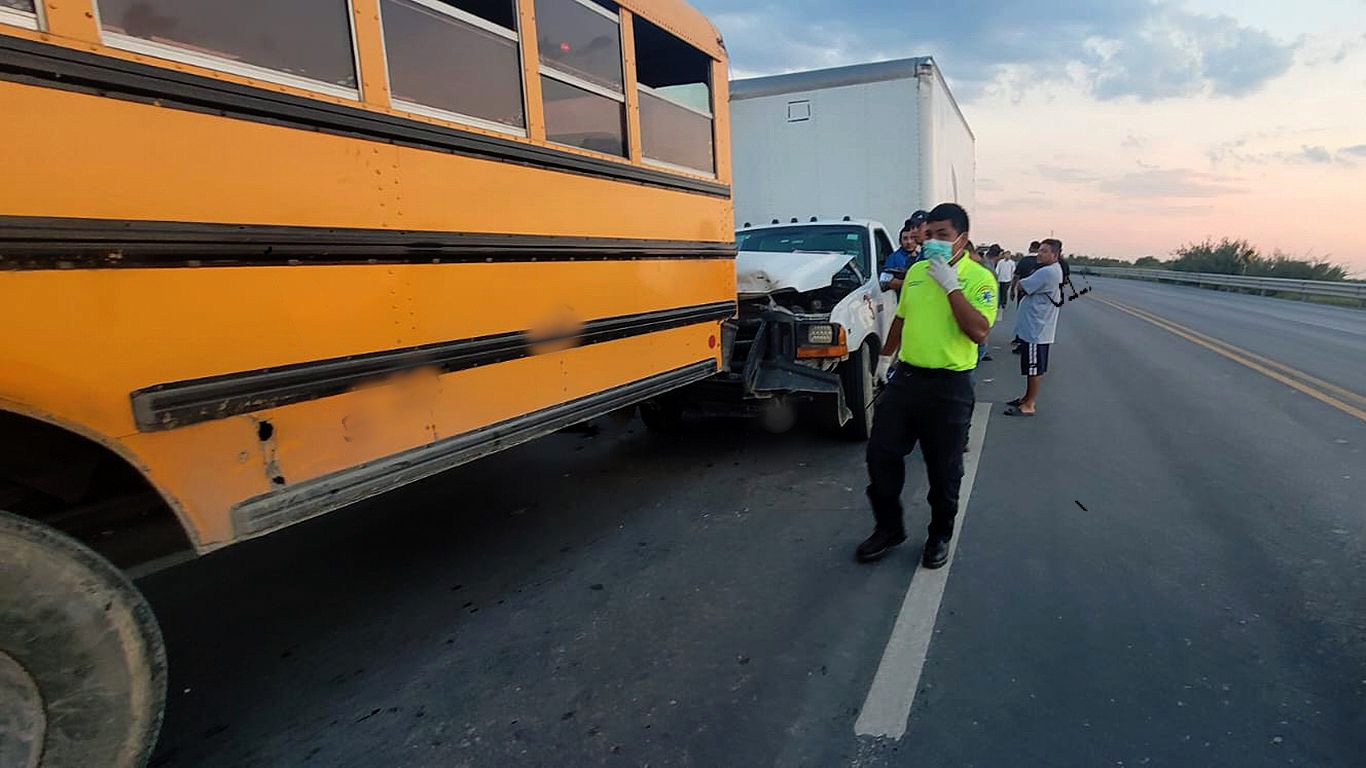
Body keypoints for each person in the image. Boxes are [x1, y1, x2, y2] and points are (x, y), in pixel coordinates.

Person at [858, 203, 997, 569]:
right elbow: (901, 320)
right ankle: (889, 528)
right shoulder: (916, 272)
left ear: (962, 239)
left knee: (944, 470)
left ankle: (939, 534)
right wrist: (884, 361)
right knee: (881, 456)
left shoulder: (980, 278)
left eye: (943, 236)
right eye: (928, 235)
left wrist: (951, 287)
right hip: (906, 381)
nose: (932, 242)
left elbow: (979, 331)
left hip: (949, 388)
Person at [1005, 238, 1064, 417]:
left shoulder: (1047, 272)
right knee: (1034, 366)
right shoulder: (1052, 269)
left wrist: (1020, 283)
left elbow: (1023, 285)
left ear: (1055, 255)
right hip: (1038, 327)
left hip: (1035, 330)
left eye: (1045, 251)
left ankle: (1029, 404)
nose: (1040, 254)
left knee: (1034, 368)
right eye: (1039, 250)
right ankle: (1026, 397)